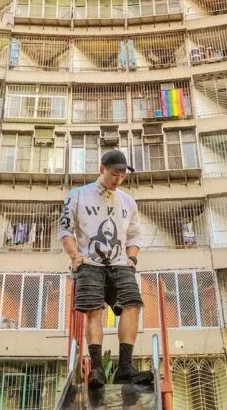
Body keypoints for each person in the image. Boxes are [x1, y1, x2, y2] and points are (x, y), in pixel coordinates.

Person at [59, 149, 146, 389]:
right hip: (89, 263)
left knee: (133, 304)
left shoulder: (128, 201)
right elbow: (65, 229)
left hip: (121, 264)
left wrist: (132, 258)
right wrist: (75, 256)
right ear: (102, 169)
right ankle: (97, 368)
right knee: (93, 310)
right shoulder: (78, 195)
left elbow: (134, 234)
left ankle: (125, 368)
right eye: (114, 174)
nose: (118, 180)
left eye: (122, 175)